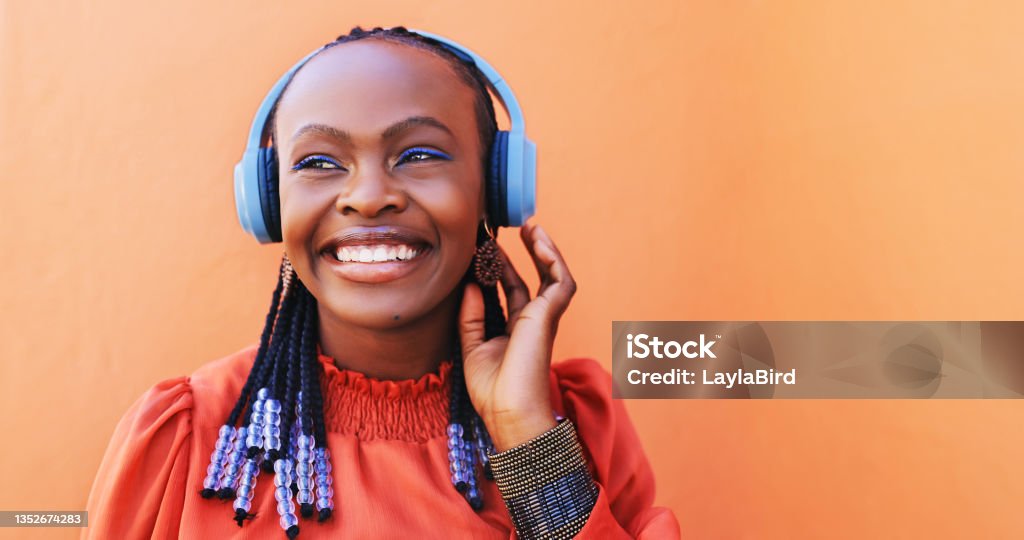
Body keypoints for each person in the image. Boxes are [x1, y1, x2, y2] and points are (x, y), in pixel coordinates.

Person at [83, 26, 681, 539]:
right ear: (269, 205)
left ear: (494, 189)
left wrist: (529, 443)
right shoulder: (186, 439)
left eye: (419, 154)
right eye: (319, 162)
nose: (368, 197)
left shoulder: (575, 423)